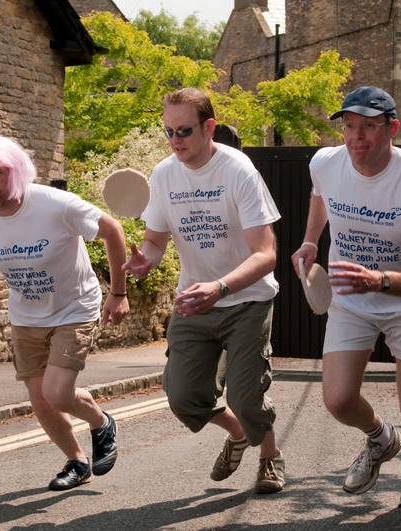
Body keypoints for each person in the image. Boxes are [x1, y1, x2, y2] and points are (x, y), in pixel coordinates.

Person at [0, 135, 129, 491]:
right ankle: (77, 461)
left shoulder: (55, 204)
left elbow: (112, 230)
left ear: (17, 172)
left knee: (57, 392)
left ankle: (101, 422)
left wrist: (118, 293)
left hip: (73, 307)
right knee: (41, 400)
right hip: (27, 315)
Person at [291, 86, 401, 509]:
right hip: (351, 298)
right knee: (339, 400)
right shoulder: (325, 162)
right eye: (349, 127)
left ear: (392, 128)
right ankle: (381, 439)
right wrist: (310, 240)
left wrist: (378, 280)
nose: (356, 138)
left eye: (368, 127)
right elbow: (320, 196)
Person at [122, 87, 285, 494]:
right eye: (168, 132)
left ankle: (270, 457)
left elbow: (266, 254)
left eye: (184, 131)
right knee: (182, 396)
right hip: (194, 302)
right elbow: (156, 241)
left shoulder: (238, 170)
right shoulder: (164, 175)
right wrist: (146, 258)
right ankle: (239, 434)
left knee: (248, 397)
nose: (175, 140)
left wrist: (221, 286)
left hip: (246, 299)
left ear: (209, 127)